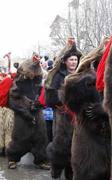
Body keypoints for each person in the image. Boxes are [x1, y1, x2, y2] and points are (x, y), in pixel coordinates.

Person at [45, 41, 82, 179]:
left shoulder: (81, 73)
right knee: (62, 146)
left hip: (78, 116)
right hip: (63, 117)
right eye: (71, 60)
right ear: (65, 61)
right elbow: (51, 97)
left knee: (77, 146)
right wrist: (63, 103)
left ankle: (72, 173)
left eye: (75, 60)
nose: (73, 62)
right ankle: (57, 169)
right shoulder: (58, 76)